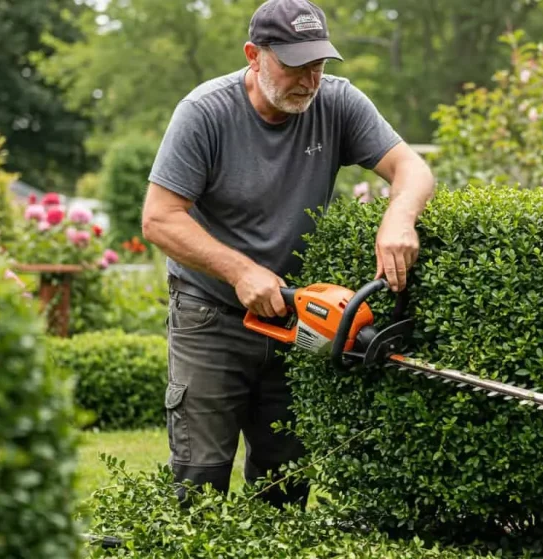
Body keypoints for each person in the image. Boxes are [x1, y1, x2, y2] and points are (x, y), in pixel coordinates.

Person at [140, 0, 435, 509]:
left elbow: (412, 167)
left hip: (294, 319)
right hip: (210, 315)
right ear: (254, 55)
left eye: (318, 65)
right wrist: (239, 271)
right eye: (295, 65)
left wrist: (399, 216)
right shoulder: (205, 113)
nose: (309, 80)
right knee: (200, 479)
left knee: (285, 479)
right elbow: (159, 217)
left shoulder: (337, 103)